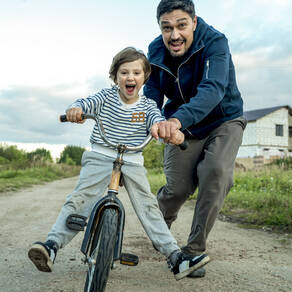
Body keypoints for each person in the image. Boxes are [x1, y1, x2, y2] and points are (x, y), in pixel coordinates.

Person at [28, 47, 210, 280]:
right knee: (80, 198)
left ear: (145, 77)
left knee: (149, 207)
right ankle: (52, 245)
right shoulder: (105, 97)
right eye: (124, 72)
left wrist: (163, 130)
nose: (130, 78)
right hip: (102, 155)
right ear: (115, 77)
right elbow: (85, 102)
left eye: (136, 73)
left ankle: (175, 257)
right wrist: (76, 110)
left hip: (132, 159)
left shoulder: (148, 107)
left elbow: (157, 122)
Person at [144, 0, 247, 278]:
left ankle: (193, 250)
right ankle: (158, 230)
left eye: (181, 25)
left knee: (215, 171)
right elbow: (152, 92)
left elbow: (213, 88)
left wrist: (176, 120)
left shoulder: (215, 41)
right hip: (181, 126)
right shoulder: (154, 50)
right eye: (167, 28)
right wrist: (152, 120)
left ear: (194, 22)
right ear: (160, 28)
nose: (174, 35)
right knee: (177, 188)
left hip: (223, 119)